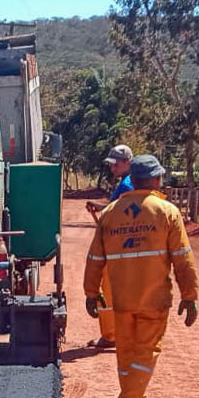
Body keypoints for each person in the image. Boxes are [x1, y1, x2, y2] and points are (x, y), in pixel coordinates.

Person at [84, 155, 199, 398]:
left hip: (121, 300)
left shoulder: (110, 213)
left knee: (126, 355)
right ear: (158, 179)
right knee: (146, 352)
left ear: (131, 180)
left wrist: (91, 293)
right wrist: (190, 294)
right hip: (153, 300)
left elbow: (95, 258)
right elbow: (183, 258)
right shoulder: (167, 211)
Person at [84, 144, 135, 348]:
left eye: (115, 164)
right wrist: (100, 208)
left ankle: (111, 335)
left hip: (120, 246)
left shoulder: (127, 185)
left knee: (108, 289)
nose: (112, 168)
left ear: (127, 162)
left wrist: (102, 211)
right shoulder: (128, 183)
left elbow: (117, 213)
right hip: (126, 244)